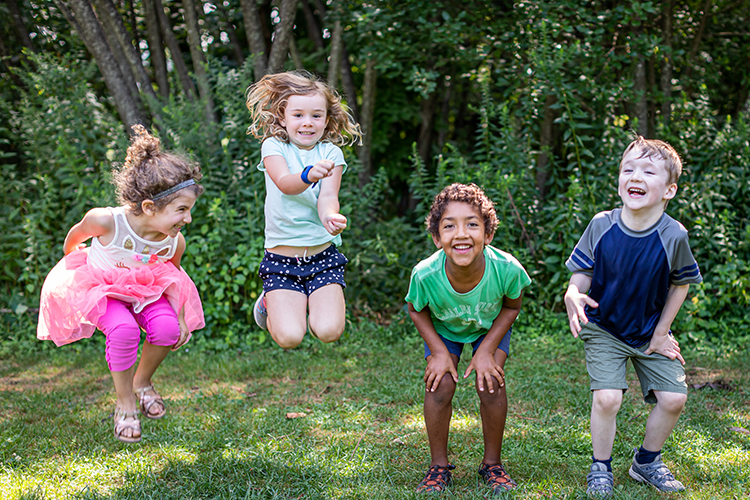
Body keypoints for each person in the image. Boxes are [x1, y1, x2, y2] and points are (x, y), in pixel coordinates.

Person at [37, 125, 205, 444]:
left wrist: (182, 316)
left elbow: (175, 278)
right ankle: (125, 401)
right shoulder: (106, 221)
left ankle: (142, 382)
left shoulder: (173, 242)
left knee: (167, 330)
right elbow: (73, 239)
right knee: (124, 330)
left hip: (147, 290)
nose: (188, 219)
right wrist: (76, 261)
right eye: (181, 210)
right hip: (103, 288)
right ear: (148, 208)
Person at [564, 136, 702, 497]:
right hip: (604, 326)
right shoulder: (601, 224)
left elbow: (681, 285)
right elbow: (582, 273)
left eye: (647, 171)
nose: (635, 176)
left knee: (673, 399)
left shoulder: (674, 235)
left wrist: (661, 333)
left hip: (649, 331)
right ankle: (600, 467)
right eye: (628, 169)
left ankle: (646, 461)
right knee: (608, 398)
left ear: (669, 189)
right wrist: (572, 292)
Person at [405, 183, 531, 495]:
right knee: (440, 385)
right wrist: (438, 351)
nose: (461, 234)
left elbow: (512, 307)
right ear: (437, 238)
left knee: (490, 382)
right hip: (444, 330)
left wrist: (487, 349)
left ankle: (492, 465)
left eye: (472, 224)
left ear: (488, 235)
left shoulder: (507, 269)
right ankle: (438, 467)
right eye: (449, 226)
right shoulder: (425, 274)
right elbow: (416, 310)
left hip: (489, 327)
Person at [245, 71, 362, 349]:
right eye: (298, 115)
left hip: (322, 255)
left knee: (329, 331)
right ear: (283, 118)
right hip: (281, 259)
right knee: (290, 338)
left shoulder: (332, 154)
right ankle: (268, 303)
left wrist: (330, 217)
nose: (307, 123)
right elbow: (286, 183)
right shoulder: (274, 146)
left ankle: (302, 300)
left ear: (327, 119)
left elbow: (328, 197)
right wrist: (309, 174)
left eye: (316, 115)